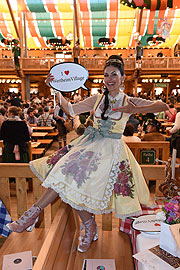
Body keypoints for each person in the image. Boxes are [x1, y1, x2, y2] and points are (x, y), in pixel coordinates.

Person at [7, 55, 168, 253]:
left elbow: (163, 106)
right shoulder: (98, 99)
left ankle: (69, 223)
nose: (109, 79)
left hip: (111, 153)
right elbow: (71, 109)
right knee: (65, 179)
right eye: (106, 75)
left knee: (72, 183)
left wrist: (133, 108)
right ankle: (36, 215)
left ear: (123, 77)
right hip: (90, 145)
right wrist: (56, 90)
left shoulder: (129, 100)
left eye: (114, 75)